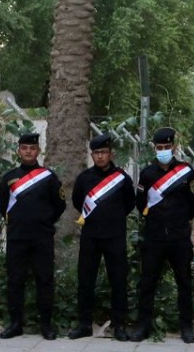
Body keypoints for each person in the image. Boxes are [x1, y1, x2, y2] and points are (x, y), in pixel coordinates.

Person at [130, 127, 194, 344]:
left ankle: (186, 327)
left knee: (184, 282)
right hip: (154, 237)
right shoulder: (147, 173)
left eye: (167, 147)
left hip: (179, 237)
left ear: (175, 147)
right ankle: (143, 326)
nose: (163, 151)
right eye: (159, 148)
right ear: (155, 148)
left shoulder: (186, 171)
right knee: (147, 282)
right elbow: (141, 203)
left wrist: (179, 221)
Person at [0, 132, 66, 341]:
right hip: (17, 238)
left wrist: (43, 221)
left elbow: (59, 205)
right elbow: (2, 205)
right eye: (24, 148)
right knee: (15, 280)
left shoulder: (48, 177)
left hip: (41, 238)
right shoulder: (9, 178)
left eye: (32, 148)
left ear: (38, 151)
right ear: (19, 150)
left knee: (44, 280)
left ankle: (46, 325)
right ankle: (16, 324)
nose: (28, 151)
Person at [67, 133, 135, 342]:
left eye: (104, 152)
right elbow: (78, 201)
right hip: (91, 236)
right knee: (86, 281)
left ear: (110, 153)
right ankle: (85, 324)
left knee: (118, 281)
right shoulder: (84, 178)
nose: (100, 157)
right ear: (92, 155)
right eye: (96, 153)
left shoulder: (122, 178)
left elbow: (129, 203)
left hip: (115, 236)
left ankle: (119, 325)